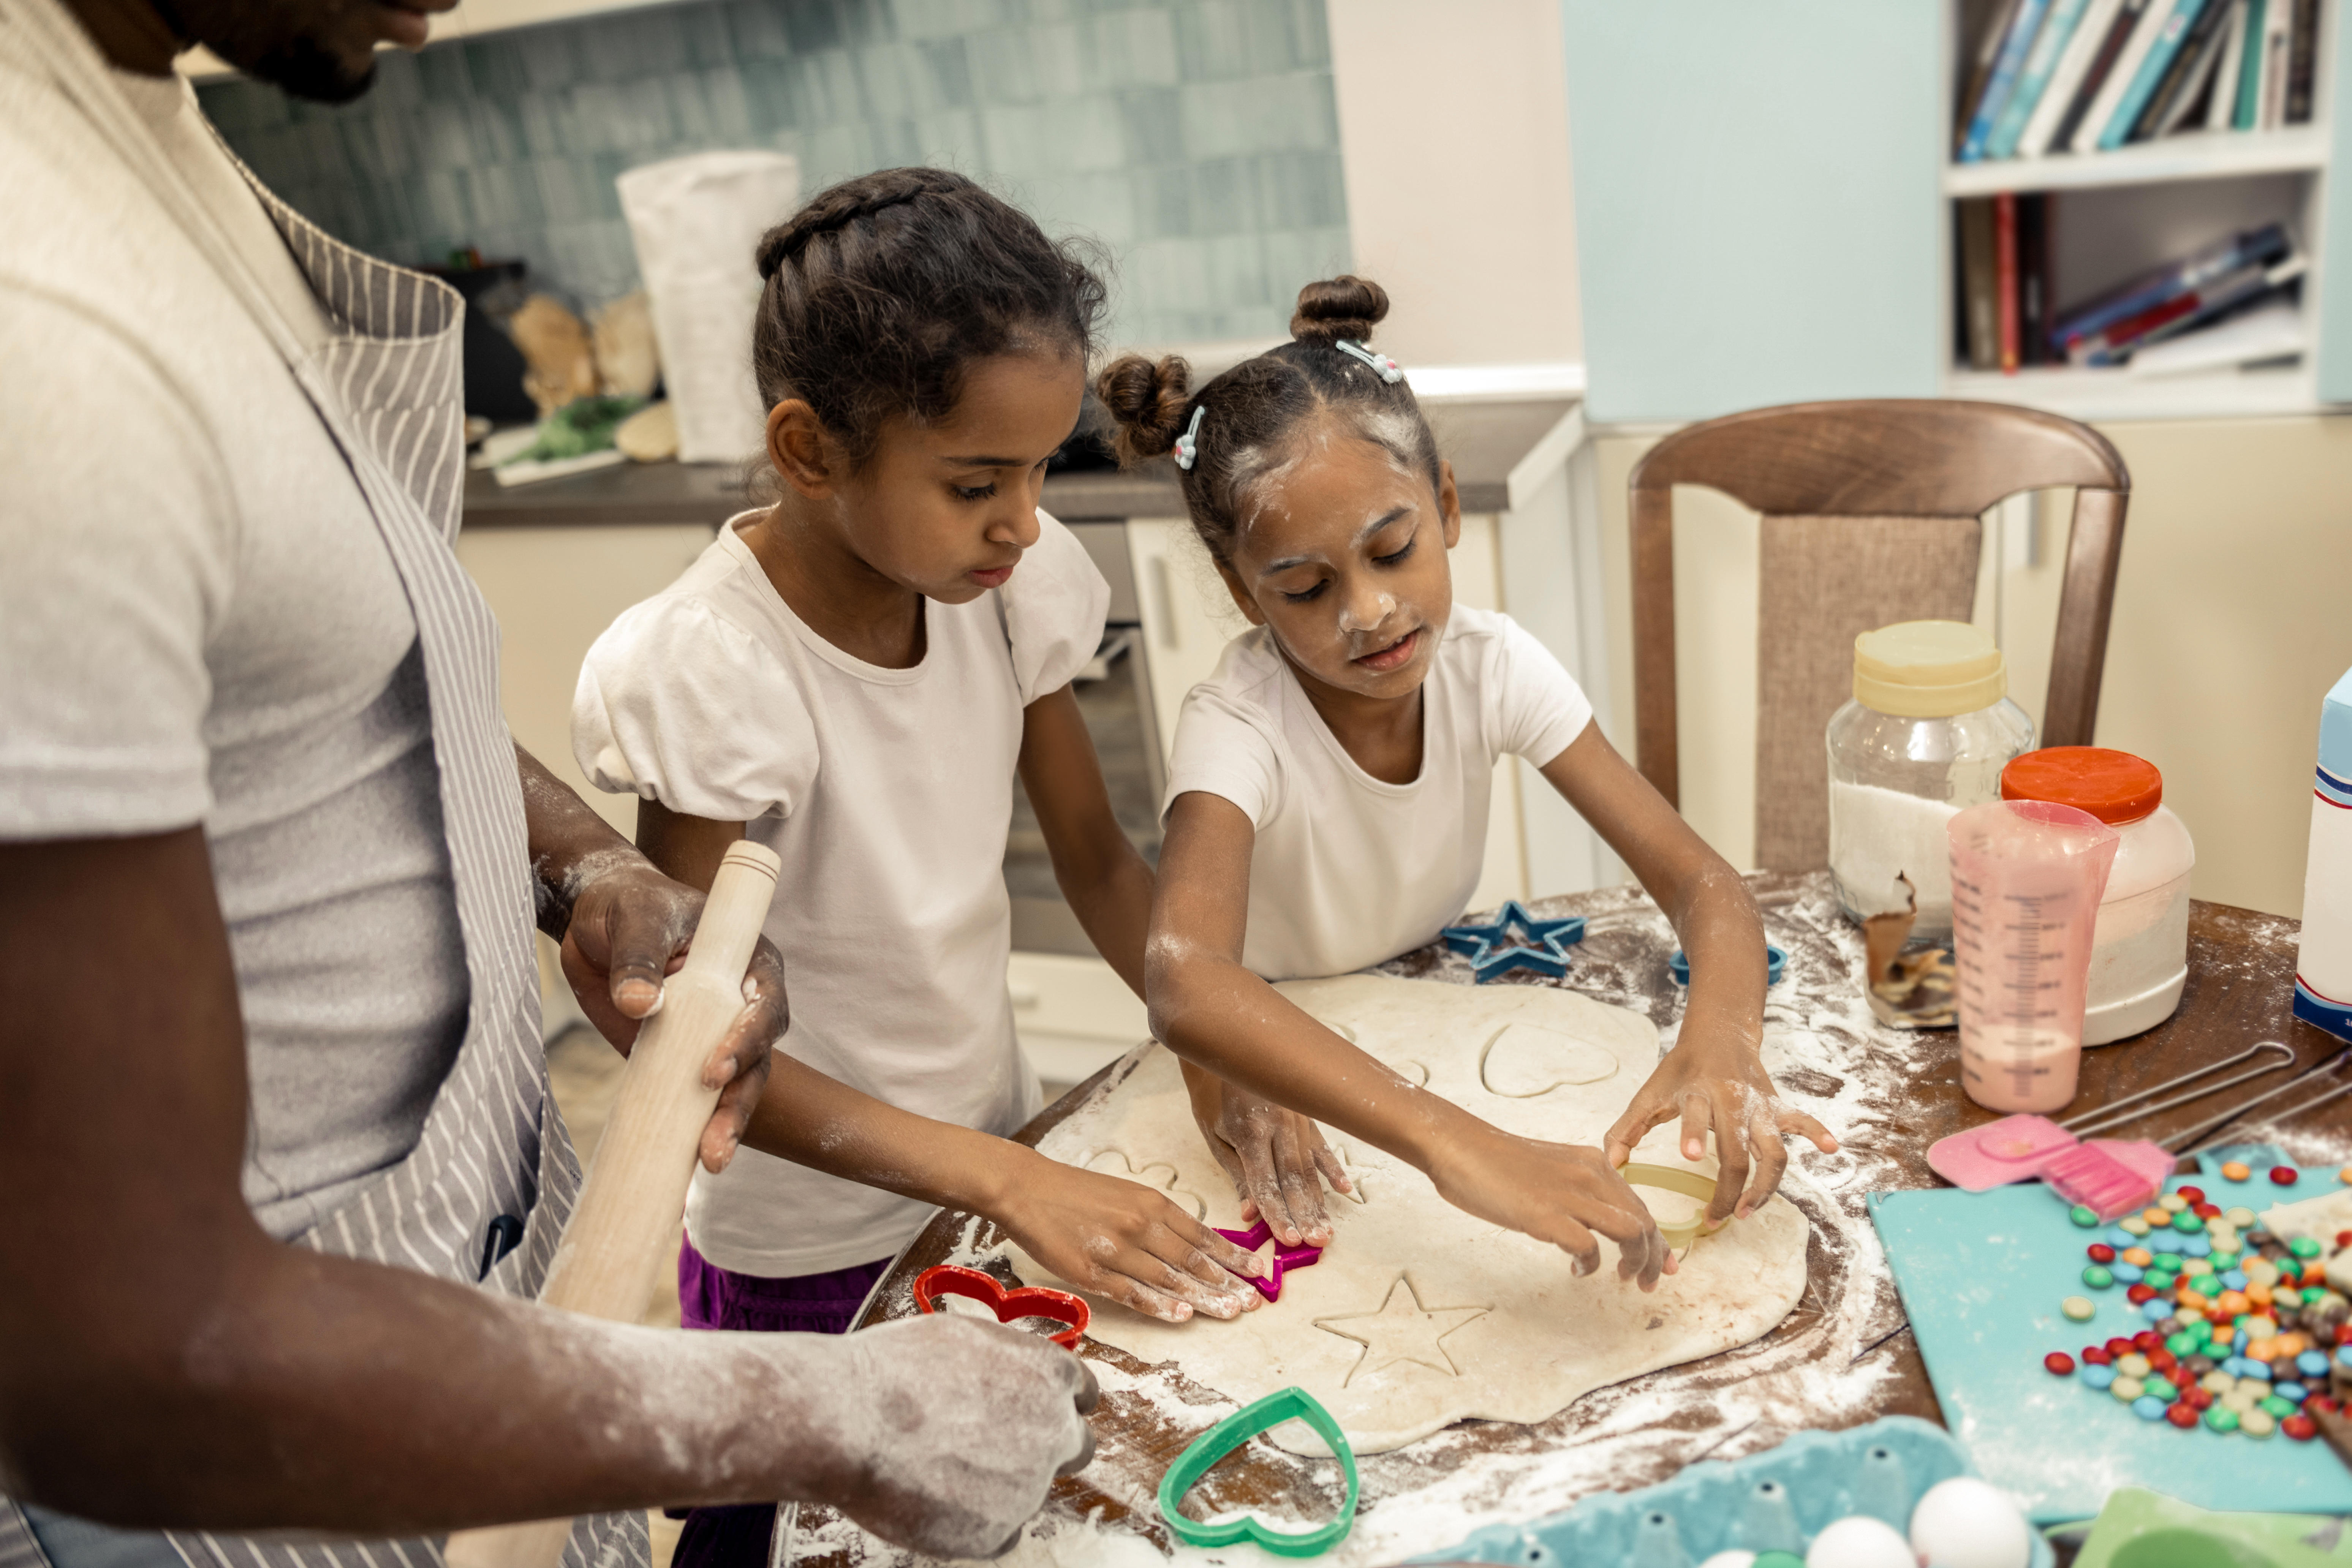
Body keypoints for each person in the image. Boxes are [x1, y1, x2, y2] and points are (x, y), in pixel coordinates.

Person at [0, 5, 1095, 1566]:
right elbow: (119, 1349)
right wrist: (837, 1416)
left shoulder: (136, 129)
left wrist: (582, 861)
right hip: (236, 1472)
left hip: (476, 1323)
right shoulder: (33, 305)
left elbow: (320, 675)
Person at [569, 167, 1346, 1568]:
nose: (1025, 522)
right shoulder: (718, 669)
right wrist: (1006, 1178)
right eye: (978, 482)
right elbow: (692, 1051)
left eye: (1045, 470)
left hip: (980, 1179)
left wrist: (1221, 1049)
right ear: (811, 452)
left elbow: (1107, 867)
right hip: (807, 1256)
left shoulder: (1003, 599)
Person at [1101, 277, 1841, 1289]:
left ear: (1446, 506)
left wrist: (1719, 1040)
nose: (1369, 611)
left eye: (1393, 551)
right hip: (1280, 1056)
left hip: (1430, 996)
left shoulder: (1492, 666)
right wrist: (1457, 1145)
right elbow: (1187, 978)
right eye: (1308, 589)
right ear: (1243, 592)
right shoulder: (1238, 724)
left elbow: (1703, 884)